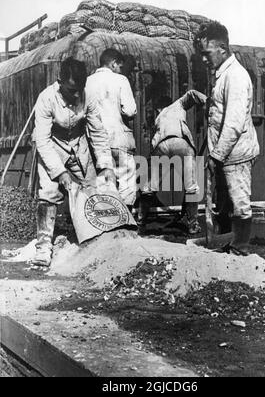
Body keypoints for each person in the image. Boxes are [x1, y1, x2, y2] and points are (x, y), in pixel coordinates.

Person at [32, 57, 115, 267]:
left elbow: (97, 132)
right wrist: (60, 173)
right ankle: (43, 247)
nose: (77, 94)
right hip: (53, 147)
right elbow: (41, 139)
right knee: (49, 193)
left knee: (90, 190)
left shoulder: (89, 97)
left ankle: (96, 240)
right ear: (60, 83)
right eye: (71, 89)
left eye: (80, 88)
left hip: (79, 146)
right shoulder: (46, 99)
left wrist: (105, 164)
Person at [195, 21, 260, 255]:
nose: (204, 59)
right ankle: (226, 244)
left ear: (222, 48)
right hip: (225, 154)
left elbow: (232, 124)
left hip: (236, 154)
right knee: (226, 202)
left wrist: (216, 156)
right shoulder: (222, 75)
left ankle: (240, 249)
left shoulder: (236, 77)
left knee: (239, 202)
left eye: (206, 53)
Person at [138, 90, 207, 235]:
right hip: (180, 142)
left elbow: (152, 148)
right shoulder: (177, 105)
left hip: (161, 146)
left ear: (158, 108)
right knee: (191, 187)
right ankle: (193, 226)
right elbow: (191, 94)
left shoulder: (158, 119)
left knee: (149, 187)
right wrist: (208, 102)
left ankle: (141, 223)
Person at [86, 48, 137, 212]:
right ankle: (127, 222)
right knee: (126, 181)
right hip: (118, 139)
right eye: (120, 66)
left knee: (104, 183)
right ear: (114, 63)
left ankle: (109, 226)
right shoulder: (120, 79)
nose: (121, 70)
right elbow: (130, 110)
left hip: (96, 142)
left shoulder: (87, 82)